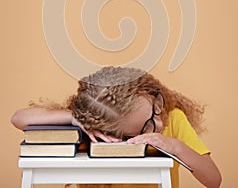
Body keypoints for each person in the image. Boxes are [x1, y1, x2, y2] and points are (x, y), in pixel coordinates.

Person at [11, 66, 222, 188]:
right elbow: (19, 118)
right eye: (146, 128)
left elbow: (214, 180)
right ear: (113, 134)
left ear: (151, 93)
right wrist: (77, 119)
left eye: (155, 107)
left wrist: (176, 147)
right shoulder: (98, 130)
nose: (158, 123)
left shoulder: (172, 118)